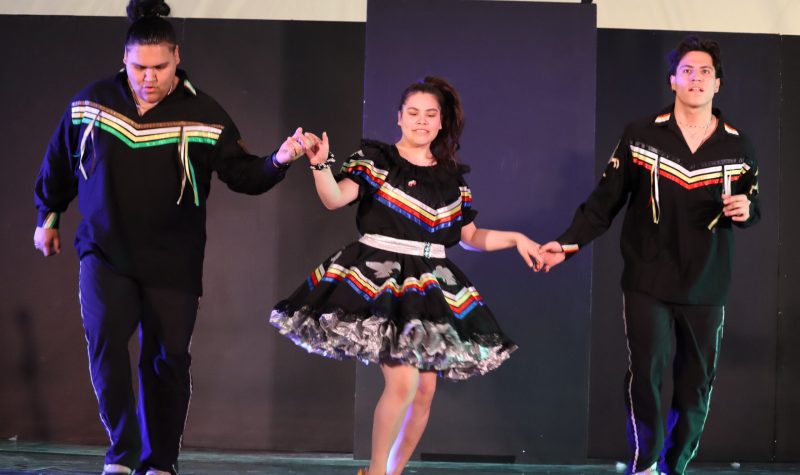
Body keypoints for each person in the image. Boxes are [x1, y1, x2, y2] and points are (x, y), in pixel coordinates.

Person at [32, 1, 311, 474]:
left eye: (160, 66)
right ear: (124, 59)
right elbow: (58, 163)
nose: (149, 77)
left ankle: (159, 461)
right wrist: (48, 217)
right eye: (140, 66)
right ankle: (121, 454)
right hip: (104, 254)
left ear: (176, 57)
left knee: (167, 362)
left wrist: (279, 159)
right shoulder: (90, 102)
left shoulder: (204, 114)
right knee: (106, 349)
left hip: (173, 262)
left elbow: (243, 174)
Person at [270, 76, 543, 475]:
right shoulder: (376, 160)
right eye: (413, 113)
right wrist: (319, 164)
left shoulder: (452, 179)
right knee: (403, 384)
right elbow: (334, 199)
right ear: (399, 117)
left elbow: (468, 236)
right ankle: (376, 471)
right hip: (380, 278)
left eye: (430, 115)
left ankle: (391, 472)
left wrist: (517, 239)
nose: (421, 121)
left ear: (441, 122)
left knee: (425, 391)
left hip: (430, 284)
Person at [539, 36, 760, 475]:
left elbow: (753, 206)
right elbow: (605, 201)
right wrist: (566, 244)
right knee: (647, 378)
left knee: (695, 388)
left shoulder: (738, 147)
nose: (696, 78)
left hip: (707, 284)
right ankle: (645, 464)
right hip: (647, 281)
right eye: (688, 71)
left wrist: (747, 211)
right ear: (672, 80)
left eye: (705, 73)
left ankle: (674, 466)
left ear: (718, 85)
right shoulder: (641, 135)